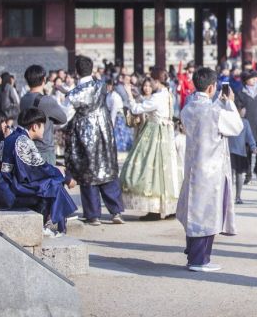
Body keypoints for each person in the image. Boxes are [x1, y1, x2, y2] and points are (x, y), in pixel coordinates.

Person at [177, 67, 243, 272]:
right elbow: (236, 127)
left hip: (193, 166)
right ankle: (199, 259)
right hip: (211, 169)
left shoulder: (187, 108)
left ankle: (195, 255)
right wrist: (229, 102)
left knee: (194, 211)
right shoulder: (215, 111)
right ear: (212, 87)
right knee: (207, 213)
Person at [0, 108, 77, 236]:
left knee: (51, 181)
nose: (44, 130)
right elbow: (39, 169)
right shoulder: (22, 141)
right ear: (35, 126)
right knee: (52, 184)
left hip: (4, 185)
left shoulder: (12, 137)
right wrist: (64, 176)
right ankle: (43, 224)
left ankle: (51, 222)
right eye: (43, 126)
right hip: (9, 189)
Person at [64, 55, 125, 226]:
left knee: (88, 171)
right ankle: (116, 211)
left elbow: (66, 115)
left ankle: (93, 214)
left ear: (77, 71)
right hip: (104, 129)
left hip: (85, 132)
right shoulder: (101, 86)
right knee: (107, 168)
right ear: (91, 69)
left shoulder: (76, 93)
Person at [120, 68, 180, 220]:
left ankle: (154, 209)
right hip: (166, 133)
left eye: (151, 81)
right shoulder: (167, 93)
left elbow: (136, 109)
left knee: (150, 169)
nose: (150, 84)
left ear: (157, 81)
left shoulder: (158, 97)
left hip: (155, 133)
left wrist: (128, 94)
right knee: (167, 171)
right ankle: (170, 207)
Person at [19, 65, 69, 165]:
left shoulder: (23, 99)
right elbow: (63, 119)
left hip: (28, 147)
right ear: (44, 80)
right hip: (44, 148)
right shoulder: (46, 100)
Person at [236, 70, 257, 183]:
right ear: (245, 81)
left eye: (255, 78)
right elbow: (238, 108)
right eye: (252, 78)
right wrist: (240, 111)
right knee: (247, 151)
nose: (255, 79)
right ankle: (248, 174)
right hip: (247, 126)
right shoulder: (241, 93)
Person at [228, 103, 257, 205]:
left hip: (234, 151)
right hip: (235, 151)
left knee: (234, 175)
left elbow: (249, 136)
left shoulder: (241, 122)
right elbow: (249, 136)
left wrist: (253, 146)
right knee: (235, 174)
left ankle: (234, 197)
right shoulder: (242, 122)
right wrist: (253, 146)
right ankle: (235, 197)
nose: (244, 111)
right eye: (242, 109)